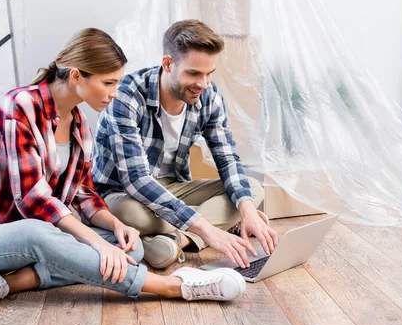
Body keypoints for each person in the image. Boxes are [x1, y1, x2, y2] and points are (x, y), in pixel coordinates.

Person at [0, 28, 247, 311]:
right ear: (77, 76)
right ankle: (173, 286)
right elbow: (32, 199)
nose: (115, 92)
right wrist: (96, 242)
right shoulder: (18, 107)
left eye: (117, 83)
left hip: (46, 235)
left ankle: (9, 282)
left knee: (132, 250)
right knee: (38, 232)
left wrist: (116, 228)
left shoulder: (78, 123)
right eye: (108, 83)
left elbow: (83, 195)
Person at [92, 20, 278, 270]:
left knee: (252, 191)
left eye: (209, 73)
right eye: (193, 73)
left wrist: (247, 211)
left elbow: (227, 160)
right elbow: (136, 180)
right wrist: (209, 231)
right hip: (122, 192)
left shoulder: (209, 96)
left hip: (174, 186)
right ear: (168, 64)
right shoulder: (126, 95)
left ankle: (179, 239)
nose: (202, 83)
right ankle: (210, 224)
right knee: (131, 215)